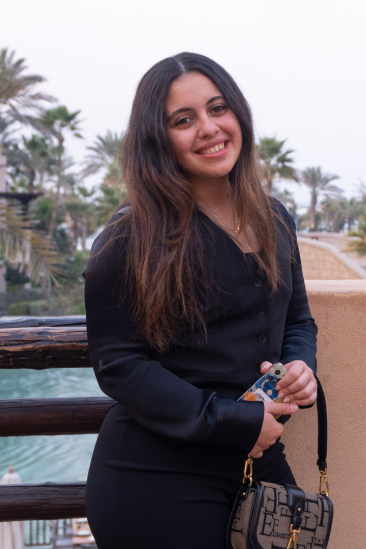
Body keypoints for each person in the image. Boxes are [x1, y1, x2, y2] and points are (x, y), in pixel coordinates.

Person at [83, 52, 318, 549]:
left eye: (218, 109)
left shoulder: (273, 217)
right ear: (157, 138)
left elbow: (297, 318)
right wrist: (234, 423)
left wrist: (300, 367)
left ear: (238, 114)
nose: (209, 129)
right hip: (157, 476)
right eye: (183, 120)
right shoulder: (131, 238)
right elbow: (120, 365)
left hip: (258, 458)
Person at [0, 466, 24, 549]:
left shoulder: (5, 477)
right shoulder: (16, 477)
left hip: (5, 510)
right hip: (15, 511)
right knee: (16, 530)